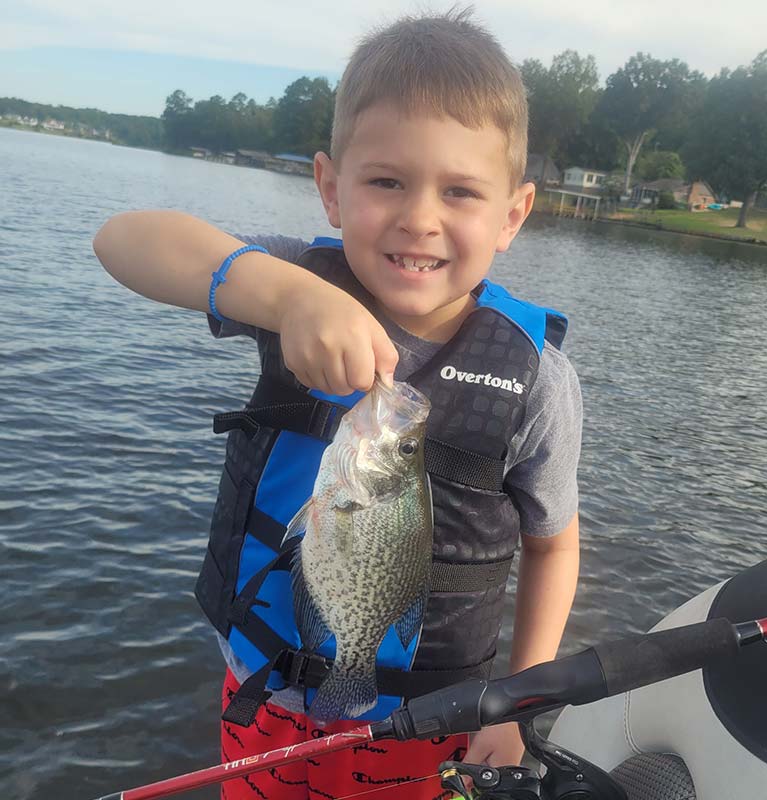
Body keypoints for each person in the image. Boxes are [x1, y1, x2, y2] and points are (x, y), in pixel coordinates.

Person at [93, 8, 582, 799]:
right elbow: (121, 241)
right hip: (265, 694)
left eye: (460, 191)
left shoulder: (539, 380)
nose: (419, 218)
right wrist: (285, 297)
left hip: (431, 720)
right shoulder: (294, 283)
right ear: (330, 188)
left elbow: (554, 546)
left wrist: (520, 705)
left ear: (512, 215)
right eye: (386, 181)